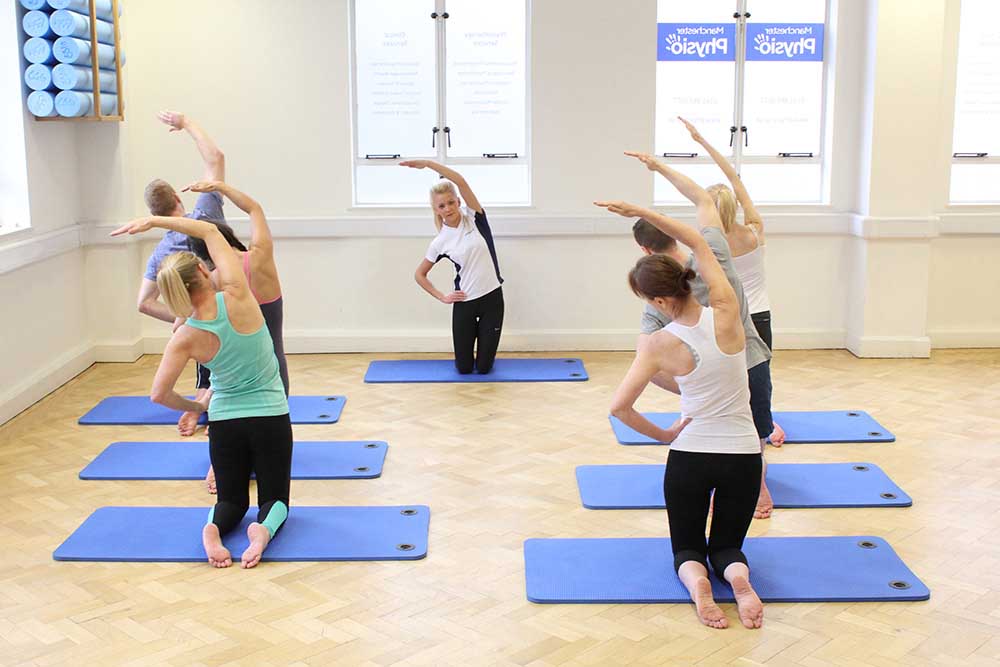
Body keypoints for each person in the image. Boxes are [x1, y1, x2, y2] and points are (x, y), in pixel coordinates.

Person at [598, 173, 764, 630]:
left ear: (655, 299)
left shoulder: (655, 345)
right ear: (686, 279)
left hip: (690, 453)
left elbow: (619, 408)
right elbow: (697, 238)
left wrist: (666, 434)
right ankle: (738, 579)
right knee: (728, 546)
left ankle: (698, 587)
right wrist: (643, 212)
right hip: (745, 455)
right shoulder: (728, 311)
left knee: (687, 548)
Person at [112, 211, 291, 570]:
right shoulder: (239, 294)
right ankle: (262, 532)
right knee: (275, 500)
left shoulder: (185, 335)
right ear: (201, 274)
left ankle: (212, 529)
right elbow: (209, 230)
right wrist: (155, 221)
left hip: (224, 422)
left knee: (231, 501)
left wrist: (195, 407)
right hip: (270, 414)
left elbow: (158, 394)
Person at [627, 152, 775, 519]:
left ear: (645, 251)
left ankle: (750, 484)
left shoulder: (658, 295)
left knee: (734, 432)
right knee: (750, 431)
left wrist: (684, 383)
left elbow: (643, 358)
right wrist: (657, 167)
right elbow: (703, 201)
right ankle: (752, 484)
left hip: (728, 369)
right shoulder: (714, 255)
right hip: (746, 363)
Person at [679, 116, 784, 445]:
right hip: (759, 318)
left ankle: (721, 429)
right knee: (758, 380)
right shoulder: (754, 229)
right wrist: (703, 143)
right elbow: (734, 180)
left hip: (725, 318)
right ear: (735, 206)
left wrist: (698, 142)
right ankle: (763, 430)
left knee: (723, 377)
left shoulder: (708, 242)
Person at [183, 181, 288, 495]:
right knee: (267, 424)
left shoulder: (213, 282)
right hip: (273, 368)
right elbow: (255, 208)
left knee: (228, 408)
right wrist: (221, 188)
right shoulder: (260, 258)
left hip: (231, 372)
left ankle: (221, 463)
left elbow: (190, 323)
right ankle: (246, 460)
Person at [136, 111, 226, 438]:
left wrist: (184, 315)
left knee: (211, 369)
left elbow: (144, 303)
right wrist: (186, 123)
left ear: (153, 215)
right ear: (177, 198)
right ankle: (208, 405)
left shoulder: (161, 253)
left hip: (201, 322)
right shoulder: (205, 214)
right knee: (233, 372)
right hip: (236, 310)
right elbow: (216, 159)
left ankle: (202, 402)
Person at [402, 159, 504, 374]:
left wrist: (429, 164)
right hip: (465, 302)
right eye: (441, 205)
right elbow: (420, 274)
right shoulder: (440, 241)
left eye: (451, 202)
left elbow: (461, 182)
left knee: (485, 368)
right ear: (436, 209)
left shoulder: (475, 218)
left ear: (458, 201)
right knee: (464, 368)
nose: (447, 208)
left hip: (492, 299)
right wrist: (442, 296)